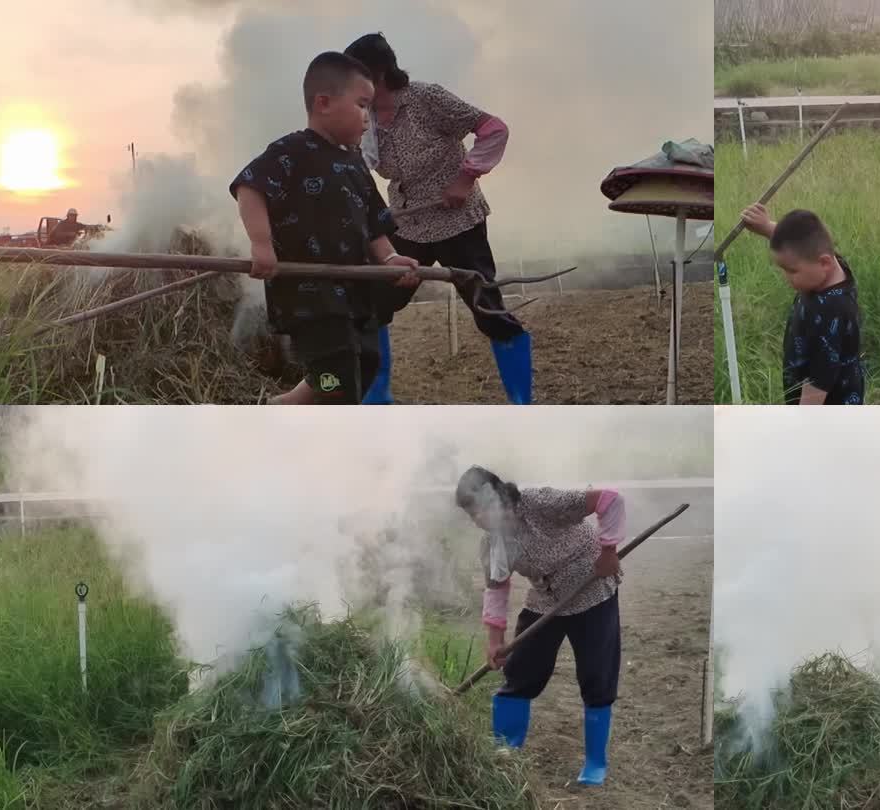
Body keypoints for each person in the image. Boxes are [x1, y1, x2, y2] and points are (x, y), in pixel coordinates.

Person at [342, 33, 530, 405]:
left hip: (457, 221)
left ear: (378, 73)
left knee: (487, 308)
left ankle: (523, 402)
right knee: (373, 304)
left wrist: (465, 178)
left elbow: (494, 129)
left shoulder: (427, 98)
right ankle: (377, 396)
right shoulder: (365, 117)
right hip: (406, 225)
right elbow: (357, 168)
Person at [230, 52, 420, 405]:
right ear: (324, 103)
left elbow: (375, 222)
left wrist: (390, 258)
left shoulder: (355, 163)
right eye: (363, 105)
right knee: (337, 378)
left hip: (357, 292)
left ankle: (284, 405)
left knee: (366, 363)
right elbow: (249, 187)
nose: (368, 118)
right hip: (310, 296)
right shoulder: (291, 151)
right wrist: (262, 245)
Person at [455, 465, 627, 786]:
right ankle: (506, 752)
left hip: (592, 590)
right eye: (471, 515)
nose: (477, 520)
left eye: (478, 509)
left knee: (596, 674)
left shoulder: (539, 503)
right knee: (520, 671)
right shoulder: (493, 544)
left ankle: (594, 763)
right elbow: (496, 589)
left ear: (496, 496)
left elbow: (610, 500)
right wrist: (495, 641)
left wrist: (608, 552)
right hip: (546, 600)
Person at [738, 204, 865, 405]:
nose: (786, 278)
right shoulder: (833, 265)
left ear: (824, 263)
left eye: (792, 271)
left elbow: (818, 384)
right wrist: (767, 227)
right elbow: (807, 244)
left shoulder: (830, 312)